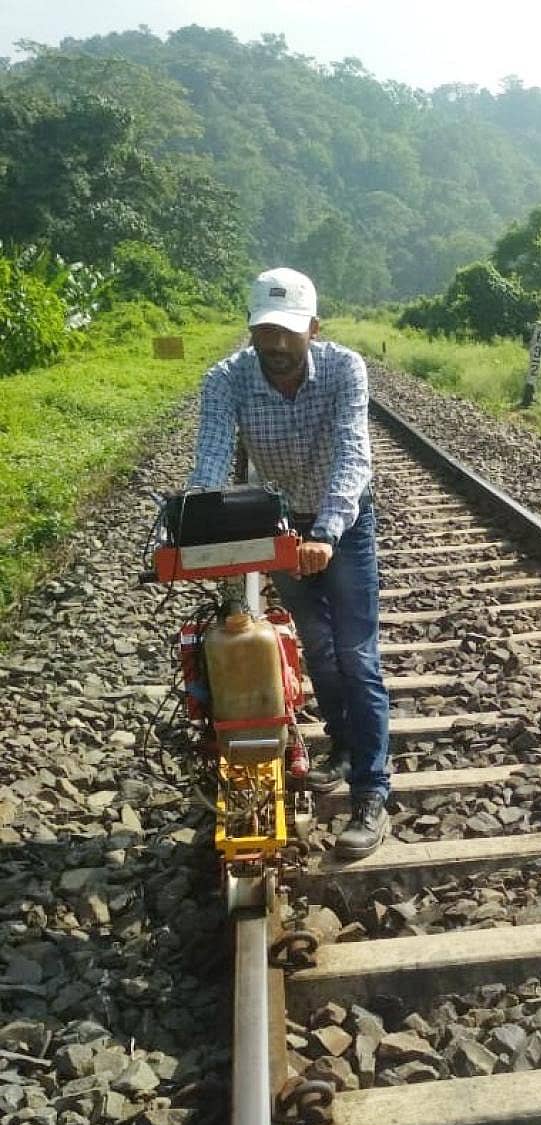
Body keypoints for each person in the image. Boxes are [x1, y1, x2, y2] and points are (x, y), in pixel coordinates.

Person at [188, 267, 391, 859]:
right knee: (316, 649)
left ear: (313, 329)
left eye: (289, 333)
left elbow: (354, 453)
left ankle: (371, 793)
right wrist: (197, 531)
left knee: (357, 654)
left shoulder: (344, 368)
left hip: (342, 521)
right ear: (251, 330)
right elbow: (212, 457)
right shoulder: (226, 379)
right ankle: (344, 744)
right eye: (265, 332)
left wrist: (327, 531)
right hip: (277, 522)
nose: (277, 346)